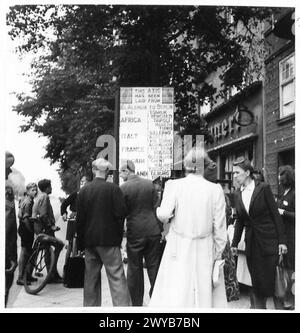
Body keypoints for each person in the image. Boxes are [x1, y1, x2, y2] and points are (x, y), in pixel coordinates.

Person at [149, 147, 227, 308]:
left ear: (186, 165)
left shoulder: (174, 186)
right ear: (204, 166)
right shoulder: (215, 189)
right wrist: (218, 254)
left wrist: (162, 212)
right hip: (205, 245)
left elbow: (163, 214)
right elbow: (219, 227)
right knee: (203, 290)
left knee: (177, 289)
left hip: (178, 245)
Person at [231, 158, 287, 309]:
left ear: (247, 172)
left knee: (274, 283)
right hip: (252, 245)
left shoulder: (263, 188)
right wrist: (234, 244)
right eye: (233, 173)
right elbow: (240, 221)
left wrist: (282, 241)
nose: (234, 176)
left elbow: (276, 215)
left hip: (269, 243)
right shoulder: (237, 194)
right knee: (256, 283)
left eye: (237, 172)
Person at [76, 158, 131, 306]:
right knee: (117, 277)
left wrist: (81, 244)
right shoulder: (114, 189)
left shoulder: (84, 191)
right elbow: (121, 214)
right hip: (110, 241)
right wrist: (118, 238)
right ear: (107, 172)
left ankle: (90, 308)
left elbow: (79, 220)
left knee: (90, 279)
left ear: (93, 170)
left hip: (90, 241)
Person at [120, 160, 162, 306]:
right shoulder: (149, 184)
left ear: (127, 170)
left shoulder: (123, 187)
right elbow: (156, 205)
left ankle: (137, 303)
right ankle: (157, 299)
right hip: (153, 230)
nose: (120, 175)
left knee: (134, 268)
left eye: (121, 172)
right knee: (154, 266)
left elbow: (122, 212)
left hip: (135, 232)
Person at [32, 179, 64, 283]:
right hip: (44, 230)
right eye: (50, 186)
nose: (51, 188)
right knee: (59, 245)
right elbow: (43, 215)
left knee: (48, 250)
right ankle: (52, 273)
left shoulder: (39, 197)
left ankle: (52, 273)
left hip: (40, 230)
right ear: (47, 188)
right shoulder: (45, 197)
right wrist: (52, 226)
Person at [277, 165, 295, 310]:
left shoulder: (294, 193)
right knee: (284, 267)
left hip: (292, 236)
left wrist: (282, 212)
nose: (279, 180)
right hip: (283, 236)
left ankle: (291, 298)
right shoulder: (284, 192)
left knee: (291, 268)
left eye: (281, 178)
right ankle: (284, 296)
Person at [61, 176, 88, 265]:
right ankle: (66, 267)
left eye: (85, 182)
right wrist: (64, 214)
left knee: (85, 245)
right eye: (81, 182)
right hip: (73, 220)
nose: (82, 184)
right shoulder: (75, 195)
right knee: (70, 245)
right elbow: (64, 205)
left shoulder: (90, 195)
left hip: (84, 221)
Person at [16, 183, 38, 285]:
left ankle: (27, 276)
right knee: (24, 253)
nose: (35, 192)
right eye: (33, 190)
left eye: (36, 190)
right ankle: (20, 277)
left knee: (27, 252)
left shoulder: (24, 199)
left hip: (23, 228)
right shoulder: (28, 202)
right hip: (26, 229)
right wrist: (31, 231)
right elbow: (25, 219)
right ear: (28, 191)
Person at [5, 151, 18, 306]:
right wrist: (10, 257)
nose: (9, 171)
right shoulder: (6, 187)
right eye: (8, 168)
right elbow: (7, 224)